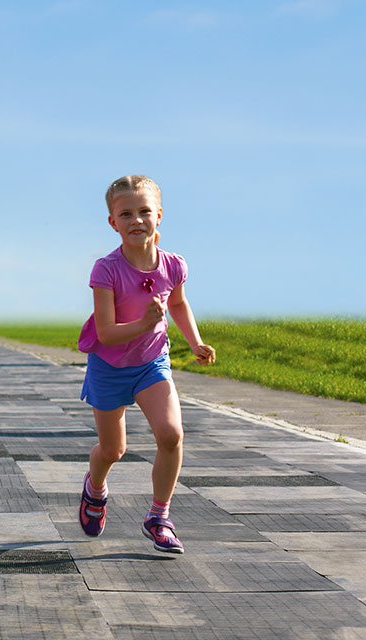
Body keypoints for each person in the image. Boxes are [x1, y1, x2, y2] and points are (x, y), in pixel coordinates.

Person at [76, 175, 215, 554]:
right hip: (109, 366)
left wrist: (196, 341)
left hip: (152, 362)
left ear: (159, 216)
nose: (136, 220)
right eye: (126, 214)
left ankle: (159, 516)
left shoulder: (173, 265)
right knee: (113, 450)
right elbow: (105, 333)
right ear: (113, 222)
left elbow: (179, 304)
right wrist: (143, 323)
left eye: (144, 212)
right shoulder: (106, 270)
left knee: (171, 435)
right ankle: (96, 488)